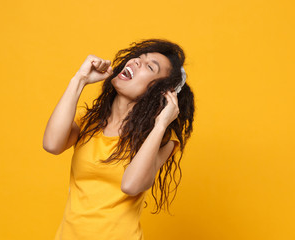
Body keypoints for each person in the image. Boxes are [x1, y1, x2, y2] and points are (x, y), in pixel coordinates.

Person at [43, 38, 195, 240]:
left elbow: (131, 185)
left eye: (150, 66)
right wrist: (79, 79)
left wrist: (161, 124)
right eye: (137, 58)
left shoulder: (161, 139)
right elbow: (52, 145)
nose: (136, 62)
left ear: (161, 92)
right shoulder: (88, 121)